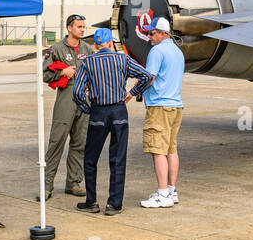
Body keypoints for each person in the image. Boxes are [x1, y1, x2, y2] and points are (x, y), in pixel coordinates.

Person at [71, 27, 153, 216]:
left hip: (98, 112)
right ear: (110, 43)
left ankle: (91, 201)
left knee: (90, 158)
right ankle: (114, 204)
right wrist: (131, 93)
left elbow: (77, 92)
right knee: (117, 159)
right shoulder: (121, 59)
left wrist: (87, 108)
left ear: (96, 45)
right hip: (118, 112)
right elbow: (146, 76)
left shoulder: (88, 62)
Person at [39, 14, 94, 200]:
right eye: (79, 26)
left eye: (83, 27)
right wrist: (62, 71)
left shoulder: (88, 49)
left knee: (79, 143)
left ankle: (74, 182)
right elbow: (45, 74)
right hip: (66, 98)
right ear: (69, 28)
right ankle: (46, 186)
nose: (82, 29)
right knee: (57, 142)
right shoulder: (56, 49)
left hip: (84, 99)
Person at [138, 18, 186, 209]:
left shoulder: (157, 51)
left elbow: (149, 78)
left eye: (151, 33)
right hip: (176, 105)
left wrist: (132, 92)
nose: (149, 37)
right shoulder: (177, 51)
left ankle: (162, 193)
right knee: (171, 149)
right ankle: (172, 190)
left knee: (157, 150)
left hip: (159, 106)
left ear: (161, 33)